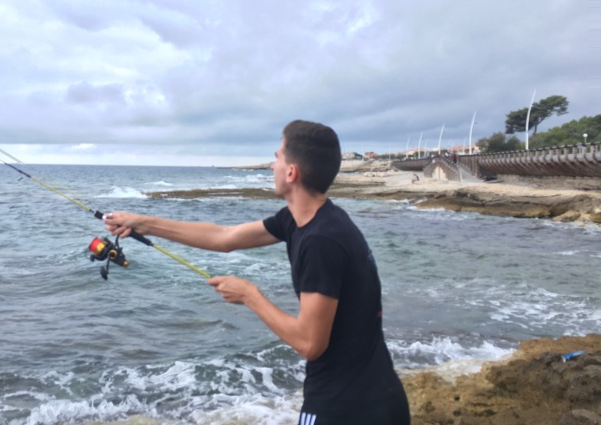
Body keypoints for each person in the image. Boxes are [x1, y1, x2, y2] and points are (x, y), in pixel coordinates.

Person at [103, 120, 410, 425]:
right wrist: (142, 222)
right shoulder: (303, 220)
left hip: (348, 408)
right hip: (373, 396)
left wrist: (251, 296)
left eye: (277, 157)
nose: (271, 165)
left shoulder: (321, 241)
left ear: (292, 172)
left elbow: (310, 344)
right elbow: (224, 237)